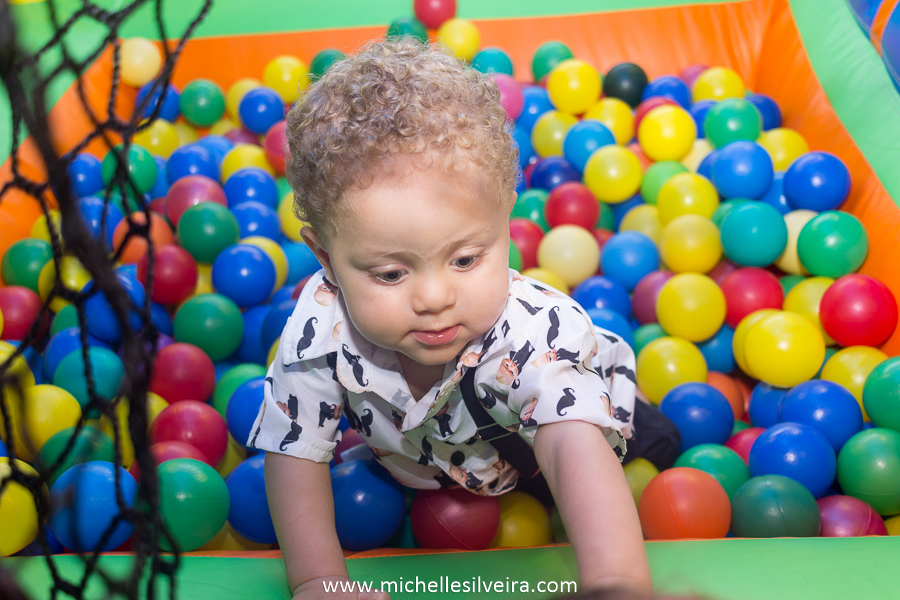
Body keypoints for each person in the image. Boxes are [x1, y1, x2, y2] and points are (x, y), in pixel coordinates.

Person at [248, 37, 679, 600]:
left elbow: (571, 449)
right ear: (326, 259)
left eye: (466, 259)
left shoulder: (533, 335)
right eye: (390, 274)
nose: (433, 298)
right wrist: (317, 581)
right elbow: (294, 449)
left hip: (557, 433)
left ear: (506, 218)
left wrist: (615, 584)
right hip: (435, 458)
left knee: (660, 444)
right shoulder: (319, 326)